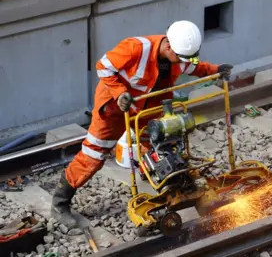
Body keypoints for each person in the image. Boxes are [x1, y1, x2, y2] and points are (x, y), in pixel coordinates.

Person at [50, 20, 233, 227]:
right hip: (114, 109)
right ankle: (60, 202)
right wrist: (120, 94)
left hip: (146, 107)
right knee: (94, 155)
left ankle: (164, 179)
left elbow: (193, 66)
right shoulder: (136, 48)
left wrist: (216, 70)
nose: (182, 63)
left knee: (161, 142)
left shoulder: (176, 55)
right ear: (168, 46)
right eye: (180, 58)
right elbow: (103, 67)